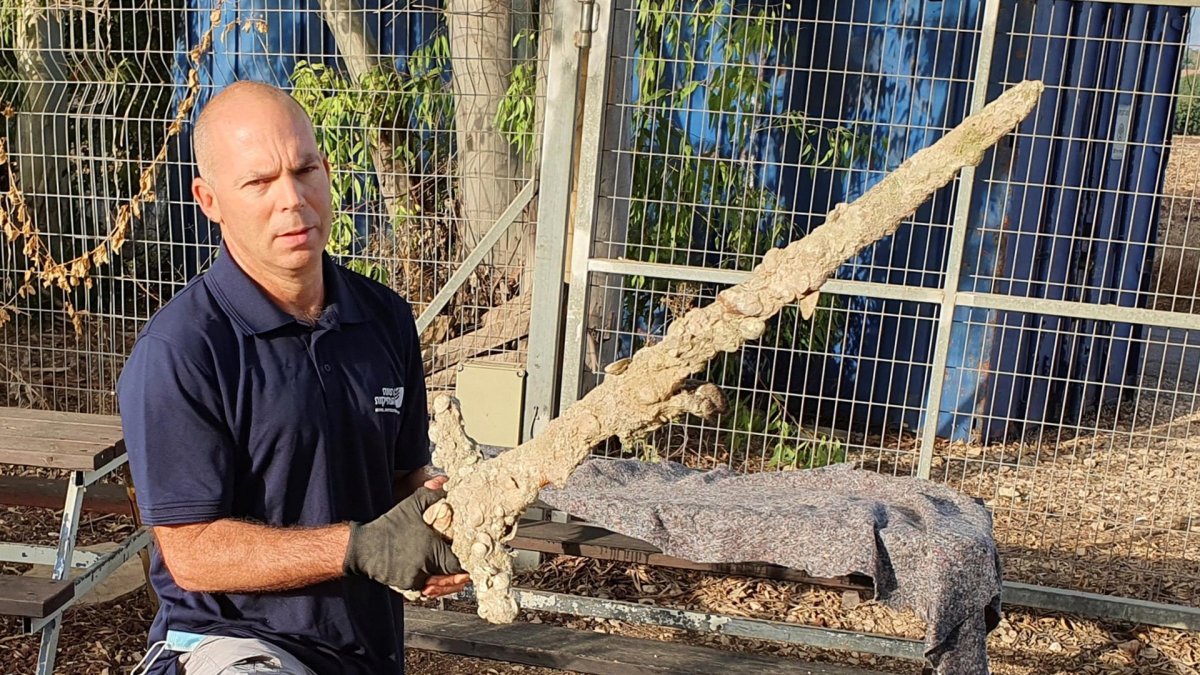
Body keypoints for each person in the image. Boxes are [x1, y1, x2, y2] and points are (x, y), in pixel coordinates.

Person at [117, 80, 470, 675]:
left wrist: (439, 526)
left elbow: (406, 475)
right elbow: (193, 555)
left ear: (327, 171)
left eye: (305, 169)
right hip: (232, 644)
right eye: (258, 182)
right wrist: (359, 548)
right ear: (209, 200)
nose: (293, 199)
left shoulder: (383, 317)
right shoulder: (181, 351)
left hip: (366, 647)